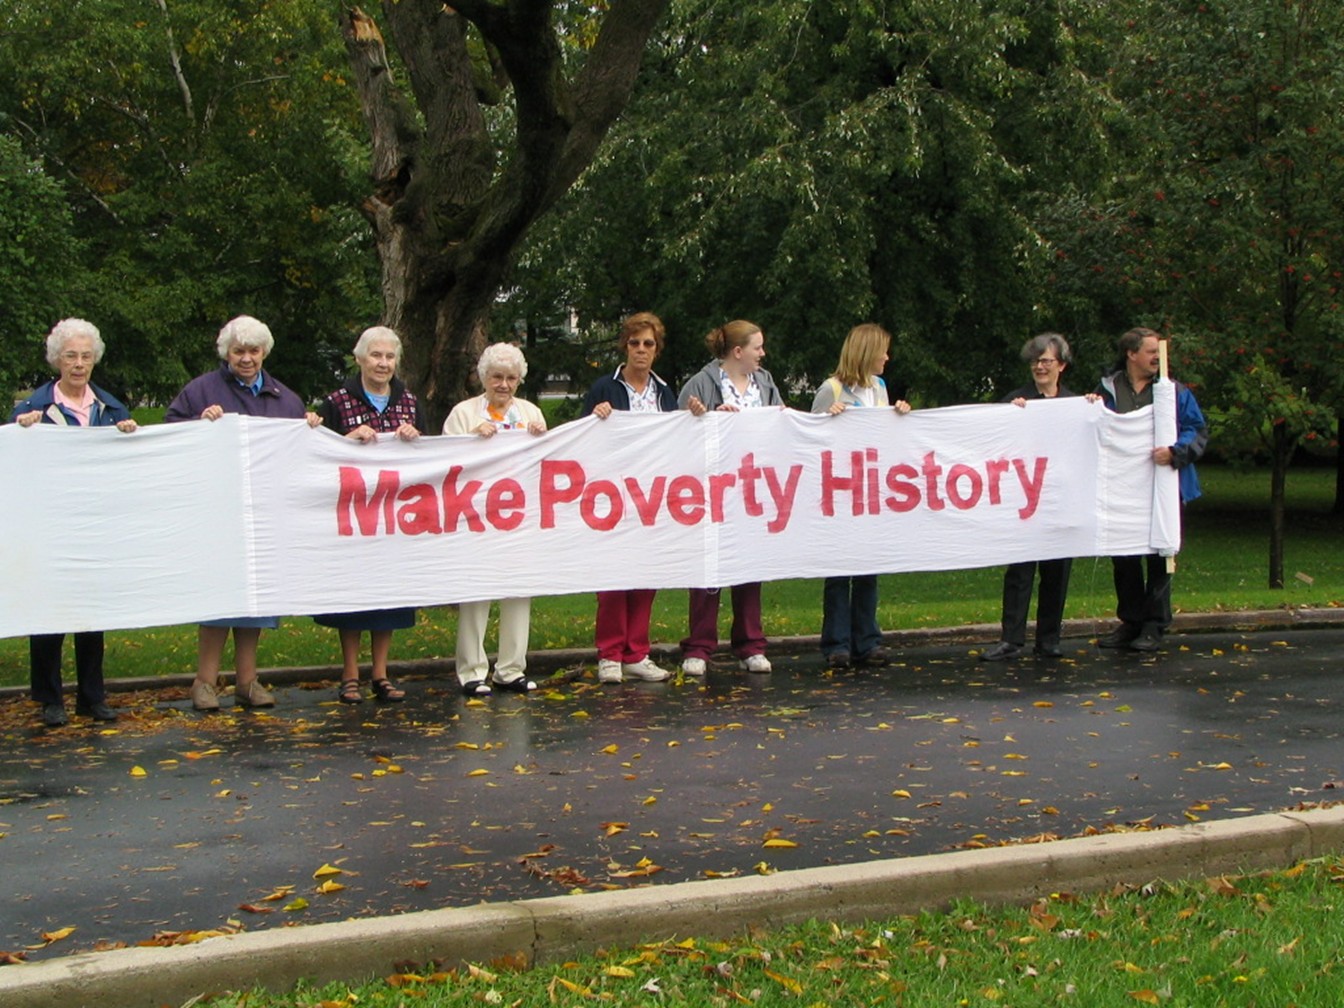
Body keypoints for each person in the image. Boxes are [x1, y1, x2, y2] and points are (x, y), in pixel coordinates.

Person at [165, 315, 320, 710]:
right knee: (219, 595)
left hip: (266, 513)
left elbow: (300, 456)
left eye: (253, 351)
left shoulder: (285, 399)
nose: (246, 358)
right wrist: (199, 425)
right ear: (226, 353)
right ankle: (204, 682)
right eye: (239, 351)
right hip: (219, 511)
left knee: (257, 601)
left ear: (264, 352)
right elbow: (169, 434)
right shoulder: (201, 391)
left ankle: (248, 681)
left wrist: (311, 428)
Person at [10, 318, 138, 726]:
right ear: (57, 361)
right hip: (49, 525)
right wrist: (22, 432)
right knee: (48, 611)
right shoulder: (32, 409)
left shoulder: (111, 408)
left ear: (94, 360)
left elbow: (126, 465)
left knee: (91, 612)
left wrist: (128, 436)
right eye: (70, 356)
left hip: (95, 525)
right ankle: (49, 698)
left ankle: (91, 696)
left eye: (85, 356)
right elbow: (15, 463)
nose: (78, 364)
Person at [314, 326, 424, 703]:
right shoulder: (336, 401)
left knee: (388, 596)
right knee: (353, 598)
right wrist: (345, 441)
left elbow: (430, 456)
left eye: (389, 357)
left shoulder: (409, 401)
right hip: (353, 517)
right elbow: (317, 453)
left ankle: (380, 673)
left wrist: (414, 438)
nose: (383, 363)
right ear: (360, 358)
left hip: (395, 517)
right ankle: (349, 674)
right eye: (376, 356)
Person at [676, 320, 781, 676]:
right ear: (738, 352)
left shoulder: (764, 383)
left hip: (753, 488)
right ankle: (700, 646)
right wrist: (704, 419)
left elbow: (781, 424)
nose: (762, 354)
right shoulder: (702, 383)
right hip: (710, 490)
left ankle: (750, 645)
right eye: (757, 347)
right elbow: (675, 435)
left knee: (750, 567)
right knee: (708, 569)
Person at [442, 342, 546, 696]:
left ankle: (511, 669)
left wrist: (540, 439)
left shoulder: (531, 412)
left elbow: (546, 462)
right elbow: (443, 462)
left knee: (518, 592)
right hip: (476, 516)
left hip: (519, 518)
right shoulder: (463, 414)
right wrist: (471, 440)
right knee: (476, 592)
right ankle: (472, 671)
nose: (503, 384)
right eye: (496, 377)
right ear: (483, 377)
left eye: (511, 378)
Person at [1095, 326, 1207, 652]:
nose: (1156, 358)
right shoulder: (1107, 390)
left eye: (1158, 352)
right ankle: (1130, 621)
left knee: (1161, 554)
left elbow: (1196, 429)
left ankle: (1154, 624)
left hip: (1165, 483)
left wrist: (1175, 453)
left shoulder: (1172, 391)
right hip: (1123, 487)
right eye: (1150, 352)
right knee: (1125, 557)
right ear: (1131, 354)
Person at [581, 312, 676, 685]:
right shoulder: (605, 387)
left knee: (645, 576)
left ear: (656, 350)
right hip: (611, 496)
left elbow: (676, 440)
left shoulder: (664, 392)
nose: (641, 350)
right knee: (613, 575)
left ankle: (636, 653)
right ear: (625, 346)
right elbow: (580, 435)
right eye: (634, 343)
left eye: (648, 344)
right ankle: (609, 654)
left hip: (653, 496)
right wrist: (595, 416)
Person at [811, 323, 911, 669]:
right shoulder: (832, 389)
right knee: (839, 571)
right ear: (867, 352)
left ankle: (867, 640)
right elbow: (809, 438)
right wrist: (828, 419)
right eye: (883, 350)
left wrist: (899, 416)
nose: (887, 357)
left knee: (869, 568)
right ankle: (836, 643)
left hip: (870, 491)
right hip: (839, 493)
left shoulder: (880, 388)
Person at [981, 333, 1080, 662]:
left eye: (1046, 361)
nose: (1039, 366)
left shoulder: (1075, 405)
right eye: (1035, 361)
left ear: (1061, 366)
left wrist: (1092, 408)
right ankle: (1011, 639)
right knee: (1020, 572)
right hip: (1022, 501)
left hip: (1059, 501)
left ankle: (1049, 639)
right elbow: (993, 444)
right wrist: (1009, 416)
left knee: (1057, 572)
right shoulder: (1015, 401)